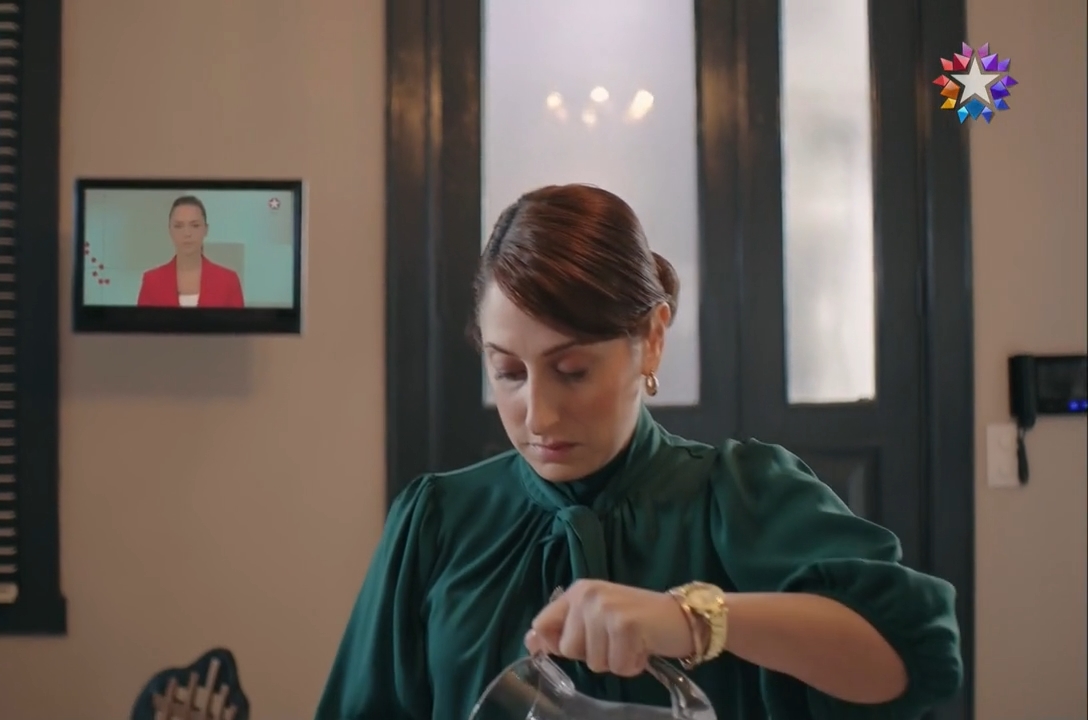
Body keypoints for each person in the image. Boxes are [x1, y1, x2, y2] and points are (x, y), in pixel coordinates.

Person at [314, 184, 963, 720]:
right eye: (508, 372)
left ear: (651, 339)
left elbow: (913, 655)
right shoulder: (435, 522)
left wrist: (694, 620)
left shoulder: (739, 495)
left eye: (572, 371)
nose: (538, 416)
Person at [137, 196, 245, 308]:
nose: (187, 233)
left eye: (195, 225)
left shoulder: (228, 281)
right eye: (178, 226)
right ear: (170, 231)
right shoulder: (152, 281)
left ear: (206, 229)